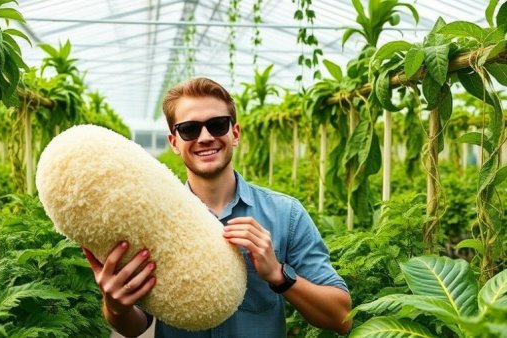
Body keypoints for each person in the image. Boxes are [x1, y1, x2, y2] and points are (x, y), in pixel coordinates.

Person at [83, 77, 352, 337]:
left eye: (217, 125)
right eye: (189, 129)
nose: (205, 137)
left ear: (234, 133)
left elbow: (341, 318)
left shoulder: (285, 214)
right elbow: (136, 328)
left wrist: (279, 276)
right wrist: (116, 307)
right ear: (174, 142)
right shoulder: (147, 217)